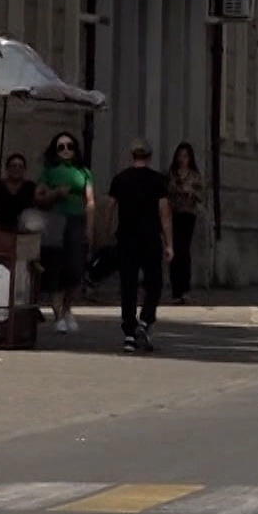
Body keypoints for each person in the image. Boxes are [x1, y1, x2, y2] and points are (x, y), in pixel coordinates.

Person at [105, 139, 173, 354]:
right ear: (149, 156)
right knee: (154, 282)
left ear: (132, 155)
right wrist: (169, 243)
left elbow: (109, 208)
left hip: (126, 237)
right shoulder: (158, 181)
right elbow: (165, 214)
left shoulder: (120, 179)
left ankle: (128, 334)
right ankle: (145, 321)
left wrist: (107, 232)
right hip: (150, 237)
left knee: (128, 285)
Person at [35, 131, 95, 334]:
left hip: (76, 221)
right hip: (55, 221)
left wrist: (90, 227)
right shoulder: (49, 171)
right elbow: (39, 197)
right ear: (55, 150)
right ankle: (58, 314)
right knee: (55, 267)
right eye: (61, 147)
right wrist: (56, 193)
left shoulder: (84, 172)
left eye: (70, 146)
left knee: (75, 268)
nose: (66, 150)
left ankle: (68, 308)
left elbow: (90, 201)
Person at [167, 143, 204, 304]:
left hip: (188, 214)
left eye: (185, 156)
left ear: (190, 158)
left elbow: (201, 193)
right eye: (180, 156)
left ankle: (185, 289)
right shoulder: (172, 174)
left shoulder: (194, 175)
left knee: (184, 250)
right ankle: (176, 290)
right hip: (174, 213)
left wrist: (192, 191)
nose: (182, 159)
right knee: (174, 249)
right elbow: (167, 192)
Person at [0, 154, 37, 232]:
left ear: (24, 169)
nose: (17, 169)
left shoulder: (30, 187)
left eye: (20, 166)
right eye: (13, 166)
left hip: (23, 231)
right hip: (0, 229)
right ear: (7, 168)